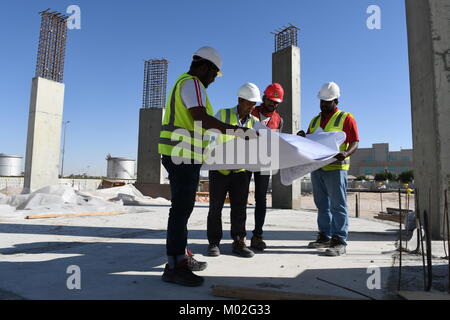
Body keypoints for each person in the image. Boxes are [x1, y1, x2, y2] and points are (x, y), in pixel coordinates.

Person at [158, 46, 257, 286]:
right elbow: (200, 118)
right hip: (181, 156)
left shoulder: (186, 83)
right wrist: (237, 131)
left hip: (181, 155)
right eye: (214, 74)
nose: (213, 79)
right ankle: (175, 265)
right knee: (181, 210)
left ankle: (180, 254)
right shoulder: (193, 83)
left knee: (182, 209)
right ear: (205, 67)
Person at [297, 82, 359, 256]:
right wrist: (303, 136)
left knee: (338, 205)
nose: (324, 104)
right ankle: (325, 236)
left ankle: (339, 240)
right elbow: (310, 141)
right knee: (322, 204)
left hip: (336, 168)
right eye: (322, 101)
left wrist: (346, 152)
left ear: (336, 101)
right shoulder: (315, 120)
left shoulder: (346, 118)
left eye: (327, 101)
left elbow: (355, 141)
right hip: (318, 168)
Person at [206, 83, 261, 258]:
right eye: (249, 103)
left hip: (241, 172)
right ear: (240, 100)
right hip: (219, 170)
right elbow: (209, 138)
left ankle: (239, 241)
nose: (252, 107)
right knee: (216, 207)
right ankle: (214, 243)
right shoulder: (223, 114)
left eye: (254, 103)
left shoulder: (256, 123)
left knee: (239, 208)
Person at [248, 83, 285, 251]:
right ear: (264, 98)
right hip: (245, 160)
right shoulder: (251, 111)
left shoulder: (279, 119)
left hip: (264, 162)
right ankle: (239, 236)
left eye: (276, 102)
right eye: (270, 101)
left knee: (261, 199)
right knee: (240, 198)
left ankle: (257, 235)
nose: (273, 105)